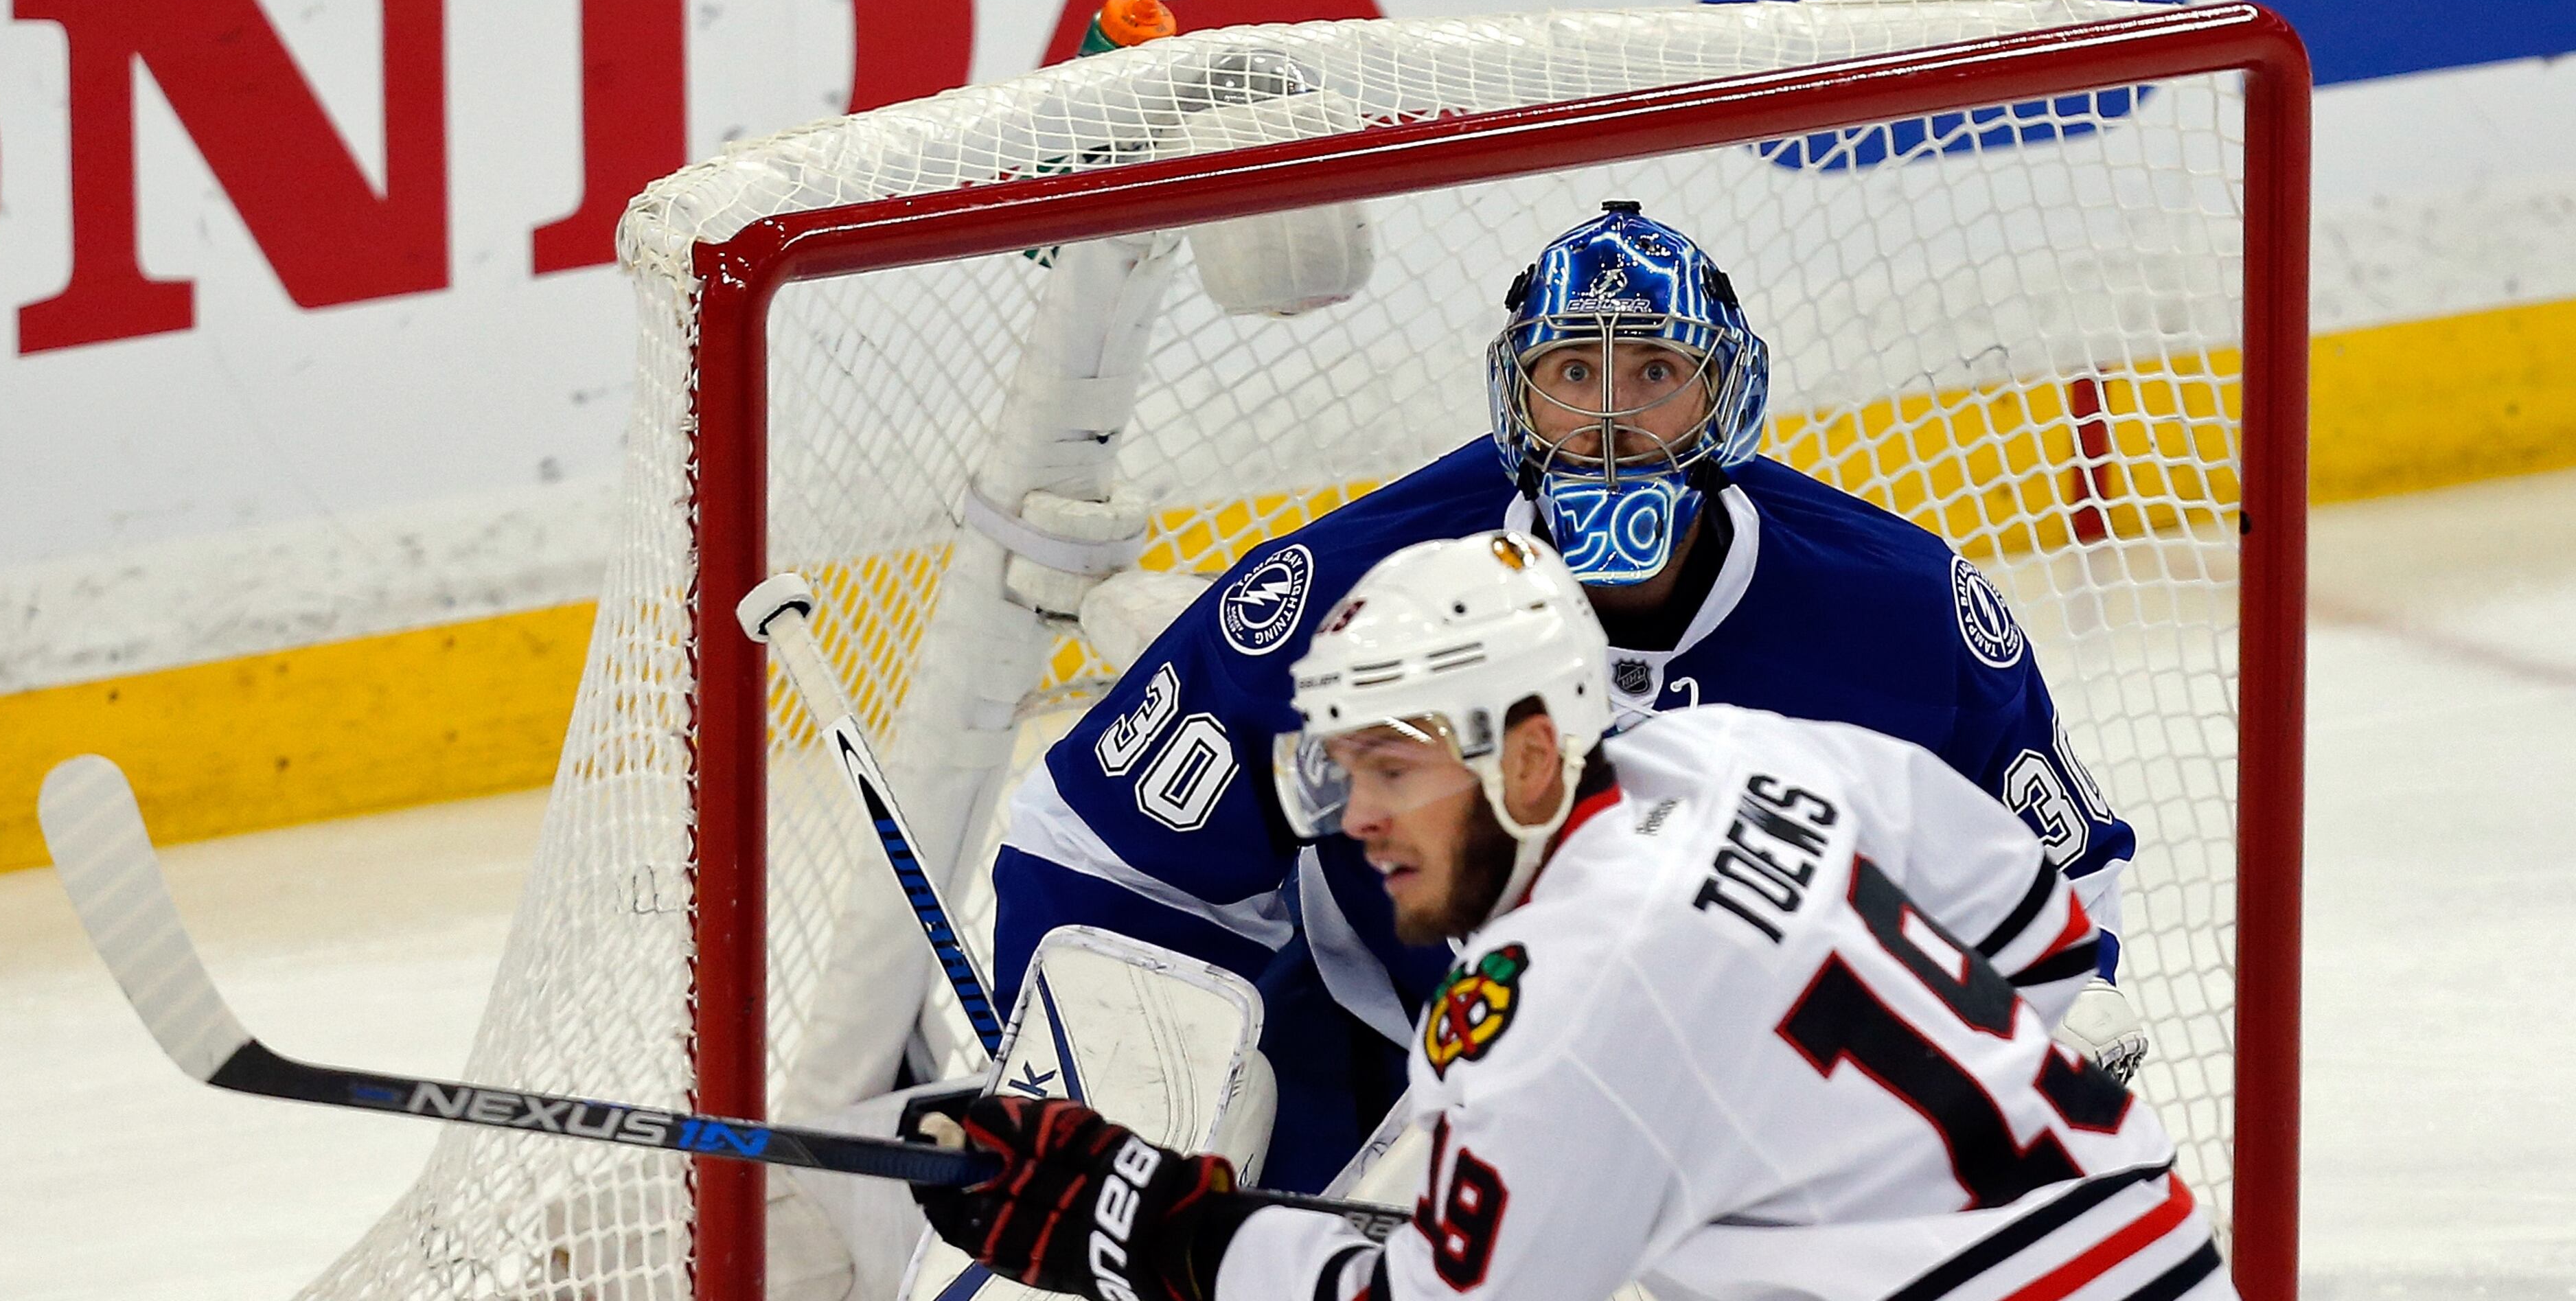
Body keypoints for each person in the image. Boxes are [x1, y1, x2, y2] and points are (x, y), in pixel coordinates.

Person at [991, 202, 2143, 1188]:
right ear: (1517, 398)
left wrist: (2009, 1035)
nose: (1606, 420)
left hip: (1772, 1090)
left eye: (1654, 372)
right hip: (1384, 1056)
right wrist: (1119, 1101)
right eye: (1572, 374)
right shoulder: (1346, 591)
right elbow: (1094, 854)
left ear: (1722, 398)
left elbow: (2062, 889)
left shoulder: (1907, 615)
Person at [921, 533, 2227, 1301]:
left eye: (1396, 768)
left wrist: (1144, 1221)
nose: (1358, 816)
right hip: (2162, 1256)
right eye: (1342, 767)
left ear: (1536, 756)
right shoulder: (1735, 756)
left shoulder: (1558, 997)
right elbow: (2031, 919)